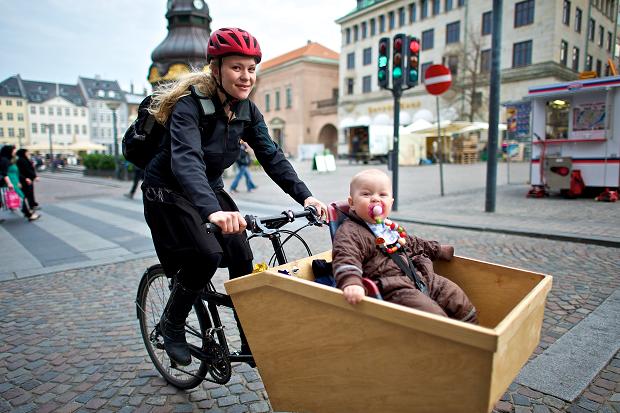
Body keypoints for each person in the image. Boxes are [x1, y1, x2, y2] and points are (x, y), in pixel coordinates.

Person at [141, 27, 327, 367]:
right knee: (205, 254)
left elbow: (271, 156)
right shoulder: (189, 107)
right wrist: (213, 212)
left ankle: (248, 331)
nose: (246, 76)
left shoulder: (247, 111)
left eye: (251, 68)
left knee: (241, 255)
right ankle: (172, 324)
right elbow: (186, 161)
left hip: (207, 187)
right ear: (216, 69)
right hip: (167, 189)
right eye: (236, 67)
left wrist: (307, 197)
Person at [332, 169, 477, 323]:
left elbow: (413, 243)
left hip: (420, 276)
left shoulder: (389, 227)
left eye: (382, 195)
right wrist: (351, 281)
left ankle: (474, 330)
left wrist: (438, 249)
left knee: (454, 295)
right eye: (366, 194)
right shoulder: (350, 232)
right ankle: (447, 340)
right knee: (432, 316)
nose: (375, 199)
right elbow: (346, 255)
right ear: (352, 203)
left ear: (391, 202)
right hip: (393, 287)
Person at [0, 145, 40, 221]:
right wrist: (9, 184)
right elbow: (4, 173)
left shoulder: (9, 160)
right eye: (14, 150)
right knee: (21, 197)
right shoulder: (4, 160)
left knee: (4, 200)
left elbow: (16, 173)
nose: (15, 152)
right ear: (9, 151)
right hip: (8, 183)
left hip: (13, 181)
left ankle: (28, 212)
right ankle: (29, 215)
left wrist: (22, 180)